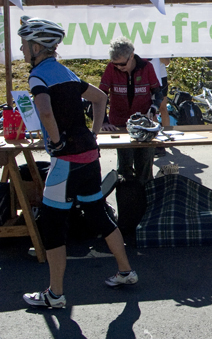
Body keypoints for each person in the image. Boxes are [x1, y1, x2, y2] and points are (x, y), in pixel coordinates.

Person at [18, 17, 137, 309]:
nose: (21, 51)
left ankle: (55, 295)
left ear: (36, 47)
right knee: (97, 214)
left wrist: (56, 140)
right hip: (88, 156)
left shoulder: (38, 76)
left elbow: (45, 110)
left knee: (52, 226)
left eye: (23, 46)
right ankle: (126, 271)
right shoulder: (66, 72)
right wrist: (93, 134)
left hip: (66, 161)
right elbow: (100, 98)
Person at [100, 37, 162, 185]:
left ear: (132, 55)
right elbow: (101, 95)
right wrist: (103, 121)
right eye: (115, 64)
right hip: (120, 124)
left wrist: (154, 108)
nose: (119, 67)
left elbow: (158, 92)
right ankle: (127, 201)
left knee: (145, 169)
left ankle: (146, 201)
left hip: (144, 125)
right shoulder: (111, 68)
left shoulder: (147, 67)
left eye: (122, 64)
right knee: (124, 168)